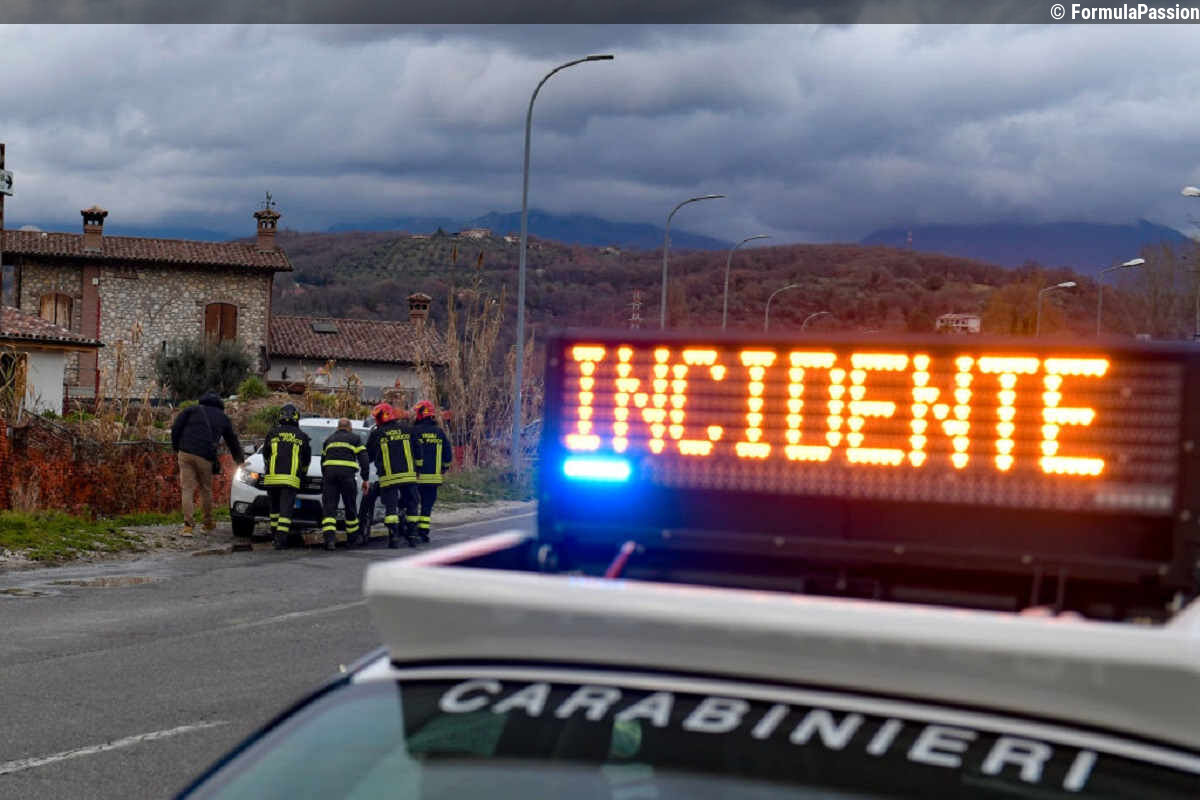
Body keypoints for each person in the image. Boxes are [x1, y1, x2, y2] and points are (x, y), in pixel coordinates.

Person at [171, 390, 245, 537]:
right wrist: (239, 461)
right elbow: (232, 440)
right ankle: (207, 523)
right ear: (219, 403)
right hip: (205, 456)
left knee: (187, 489)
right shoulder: (222, 417)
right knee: (205, 489)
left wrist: (177, 447)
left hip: (185, 453)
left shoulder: (191, 410)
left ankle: (188, 527)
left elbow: (176, 428)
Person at [364, 403, 419, 549]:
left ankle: (393, 537)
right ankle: (413, 536)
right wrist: (418, 469)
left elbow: (368, 455)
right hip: (409, 476)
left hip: (389, 479)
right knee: (412, 505)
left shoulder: (377, 433)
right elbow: (418, 451)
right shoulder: (407, 429)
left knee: (391, 509)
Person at [262, 404, 312, 550]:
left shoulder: (272, 433)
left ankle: (274, 536)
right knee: (285, 512)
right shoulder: (302, 436)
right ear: (296, 417)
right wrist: (302, 475)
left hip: (271, 479)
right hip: (290, 480)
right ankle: (281, 540)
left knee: (274, 511)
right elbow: (306, 460)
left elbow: (266, 454)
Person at [319, 418, 368, 551]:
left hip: (330, 476)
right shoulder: (355, 438)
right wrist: (365, 478)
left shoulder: (329, 440)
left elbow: (323, 461)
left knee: (329, 509)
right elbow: (364, 459)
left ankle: (329, 541)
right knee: (350, 507)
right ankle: (352, 540)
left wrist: (326, 476)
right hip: (347, 477)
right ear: (350, 427)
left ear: (338, 427)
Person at [411, 400, 453, 543]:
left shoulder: (414, 431)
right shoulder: (439, 432)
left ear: (419, 414)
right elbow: (448, 454)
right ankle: (424, 532)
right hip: (433, 478)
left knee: (412, 504)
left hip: (415, 477)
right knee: (427, 506)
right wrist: (444, 468)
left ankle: (412, 531)